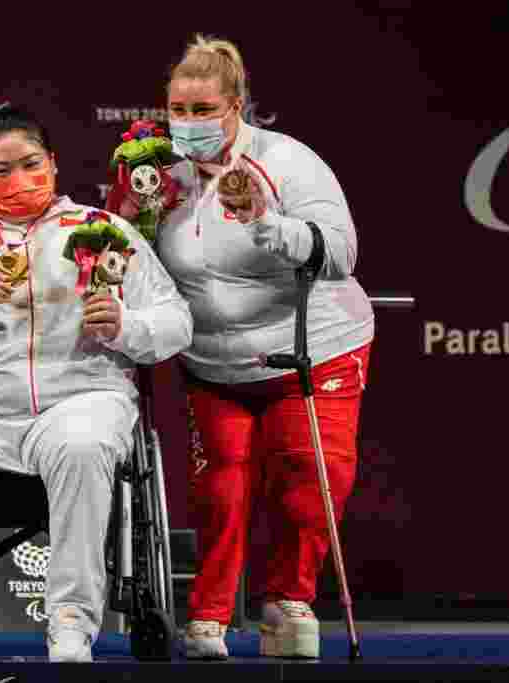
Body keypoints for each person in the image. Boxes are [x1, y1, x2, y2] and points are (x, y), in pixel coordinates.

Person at [0, 104, 192, 662]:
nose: (17, 181)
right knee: (69, 444)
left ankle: (72, 625)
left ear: (53, 164)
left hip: (83, 402)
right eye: (0, 170)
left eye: (30, 164)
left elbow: (176, 321)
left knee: (80, 445)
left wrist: (127, 326)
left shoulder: (103, 232)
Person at [111, 34, 375, 659]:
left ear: (237, 108)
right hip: (214, 365)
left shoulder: (288, 163)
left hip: (312, 353)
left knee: (309, 482)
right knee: (219, 492)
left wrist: (265, 224)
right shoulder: (161, 178)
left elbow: (341, 253)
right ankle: (209, 616)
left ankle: (289, 602)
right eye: (180, 109)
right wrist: (129, 214)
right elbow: (125, 262)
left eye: (205, 110)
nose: (190, 123)